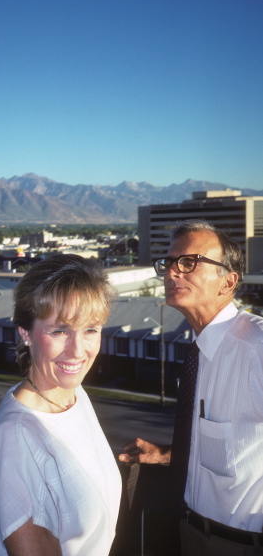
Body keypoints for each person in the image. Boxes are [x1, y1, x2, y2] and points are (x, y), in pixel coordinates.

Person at [119, 219, 263, 555]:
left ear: (227, 282)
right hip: (187, 532)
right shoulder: (200, 347)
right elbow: (234, 445)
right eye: (168, 263)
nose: (171, 273)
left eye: (189, 262)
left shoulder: (256, 347)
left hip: (239, 545)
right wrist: (169, 455)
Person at [0, 254, 122, 556]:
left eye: (91, 330)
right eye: (59, 331)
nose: (78, 350)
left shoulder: (74, 394)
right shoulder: (15, 435)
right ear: (25, 333)